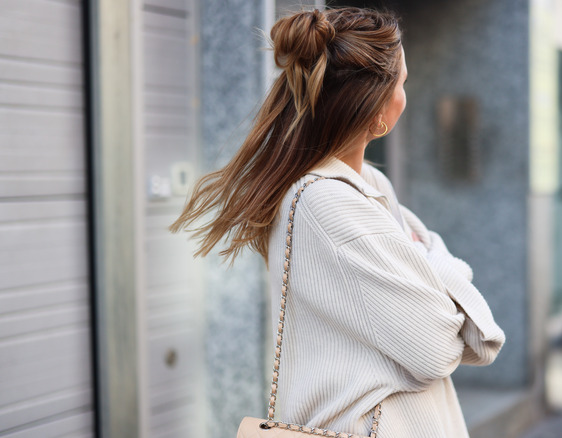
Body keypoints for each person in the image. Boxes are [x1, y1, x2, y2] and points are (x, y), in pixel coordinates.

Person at [170, 7, 505, 438]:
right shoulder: (322, 203)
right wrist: (430, 259)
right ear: (378, 106)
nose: (407, 93)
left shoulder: (369, 183)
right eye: (403, 83)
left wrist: (423, 263)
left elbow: (469, 334)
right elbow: (439, 348)